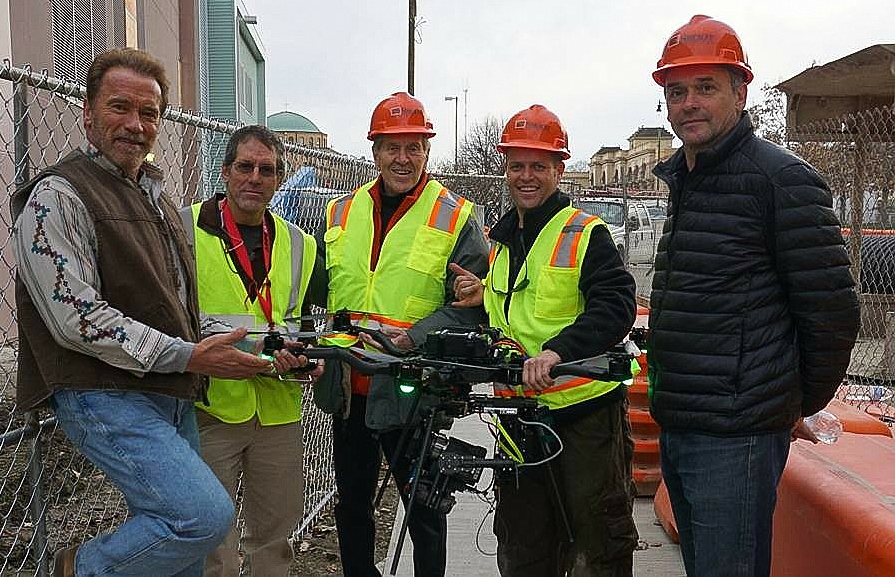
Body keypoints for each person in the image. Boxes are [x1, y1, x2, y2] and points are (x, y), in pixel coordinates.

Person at [13, 48, 281, 577]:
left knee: (178, 556)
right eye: (120, 108)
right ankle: (77, 570)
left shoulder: (155, 198)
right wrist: (187, 356)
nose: (135, 125)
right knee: (201, 518)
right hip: (102, 393)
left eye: (150, 113)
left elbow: (175, 309)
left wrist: (261, 344)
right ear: (88, 113)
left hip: (167, 391)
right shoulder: (58, 196)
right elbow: (76, 317)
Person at [647, 15, 861, 577]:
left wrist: (786, 403)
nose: (689, 102)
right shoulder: (687, 181)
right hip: (683, 423)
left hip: (737, 439)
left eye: (706, 88)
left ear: (741, 92)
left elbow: (832, 312)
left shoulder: (781, 180)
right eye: (677, 91)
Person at [451, 104, 638, 576]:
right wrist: (481, 297)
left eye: (539, 165)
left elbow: (615, 306)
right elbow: (516, 309)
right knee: (524, 543)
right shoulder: (503, 239)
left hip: (583, 417)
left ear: (559, 168)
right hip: (518, 417)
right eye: (517, 166)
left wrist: (559, 351)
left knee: (596, 543)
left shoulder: (584, 233)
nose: (526, 176)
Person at [310, 91, 489, 577]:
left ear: (427, 152)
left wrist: (415, 338)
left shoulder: (455, 217)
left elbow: (472, 308)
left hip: (414, 390)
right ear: (375, 152)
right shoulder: (341, 213)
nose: (402, 158)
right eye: (392, 147)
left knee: (424, 508)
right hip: (351, 386)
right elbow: (316, 291)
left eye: (414, 147)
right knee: (352, 504)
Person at [179, 125, 317, 577]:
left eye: (267, 170)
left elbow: (304, 323)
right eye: (245, 167)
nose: (255, 178)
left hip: (278, 408)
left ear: (279, 179)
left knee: (275, 537)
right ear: (225, 172)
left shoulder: (301, 245)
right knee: (212, 538)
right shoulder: (183, 228)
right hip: (212, 406)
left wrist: (304, 357)